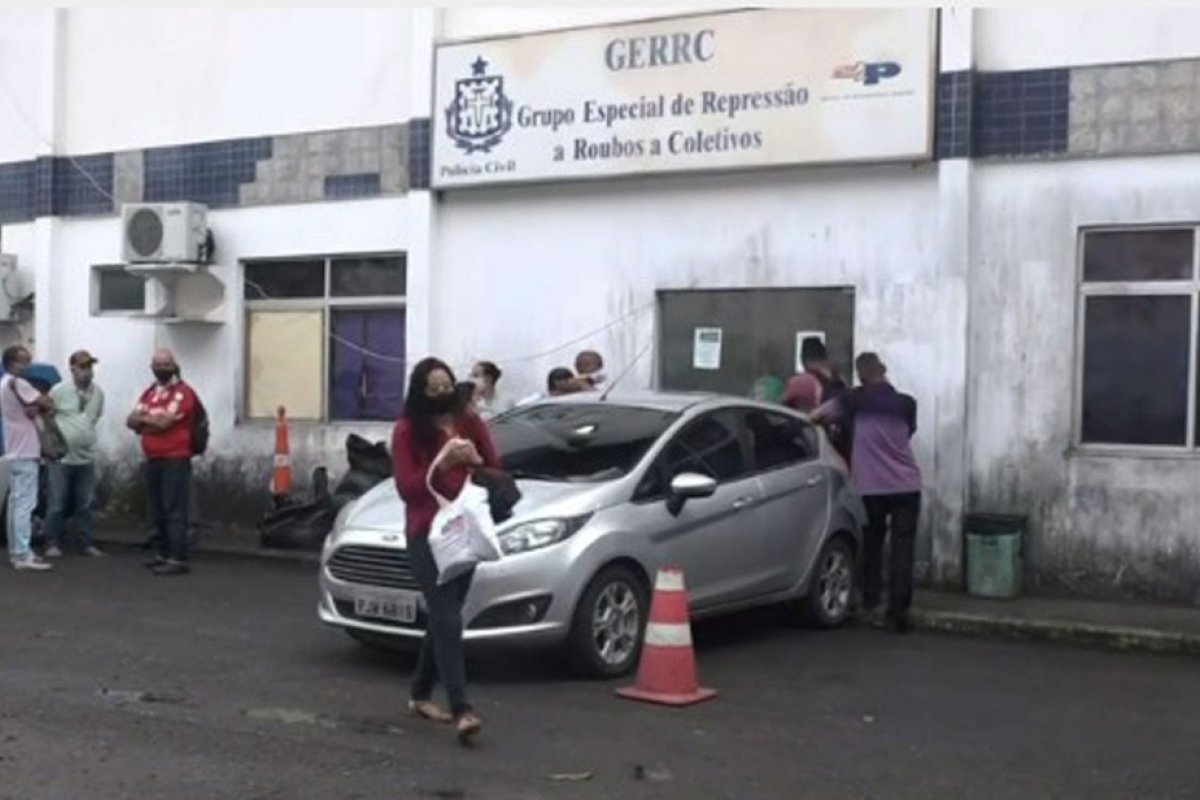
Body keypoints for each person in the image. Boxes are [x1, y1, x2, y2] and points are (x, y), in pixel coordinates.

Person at [392, 357, 498, 745]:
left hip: (466, 530)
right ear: (419, 393)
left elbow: (494, 466)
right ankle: (463, 709)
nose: (442, 394)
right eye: (433, 389)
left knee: (444, 618)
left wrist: (474, 459)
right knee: (448, 617)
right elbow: (407, 487)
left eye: (446, 386)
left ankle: (420, 694)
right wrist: (442, 463)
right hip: (427, 534)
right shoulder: (407, 431)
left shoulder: (468, 421)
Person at [812, 353, 922, 632]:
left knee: (873, 543)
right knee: (903, 549)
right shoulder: (907, 404)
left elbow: (815, 417)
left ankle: (871, 600)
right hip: (907, 485)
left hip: (872, 487)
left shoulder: (853, 401)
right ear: (884, 370)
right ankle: (898, 612)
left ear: (860, 377)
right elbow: (907, 434)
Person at [126, 348, 198, 576]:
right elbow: (130, 420)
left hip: (175, 458)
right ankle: (163, 553)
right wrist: (151, 421)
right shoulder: (150, 393)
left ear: (174, 365)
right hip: (153, 458)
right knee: (157, 509)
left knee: (173, 508)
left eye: (165, 365)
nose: (161, 369)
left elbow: (164, 424)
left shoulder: (182, 393)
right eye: (157, 365)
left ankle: (177, 557)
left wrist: (145, 421)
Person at [44, 350, 105, 558]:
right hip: (62, 458)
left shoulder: (98, 393)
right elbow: (48, 418)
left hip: (86, 457)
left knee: (85, 503)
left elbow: (94, 418)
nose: (87, 372)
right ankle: (52, 541)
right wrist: (53, 445)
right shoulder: (58, 391)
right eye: (83, 367)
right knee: (57, 502)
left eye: (89, 367)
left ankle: (85, 542)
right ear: (72, 369)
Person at [1, 345, 54, 571]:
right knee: (25, 504)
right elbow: (47, 403)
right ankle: (23, 553)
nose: (27, 365)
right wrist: (40, 401)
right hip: (26, 449)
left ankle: (17, 551)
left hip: (13, 448)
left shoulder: (3, 384)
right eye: (24, 361)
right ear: (14, 362)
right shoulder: (18, 383)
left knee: (15, 504)